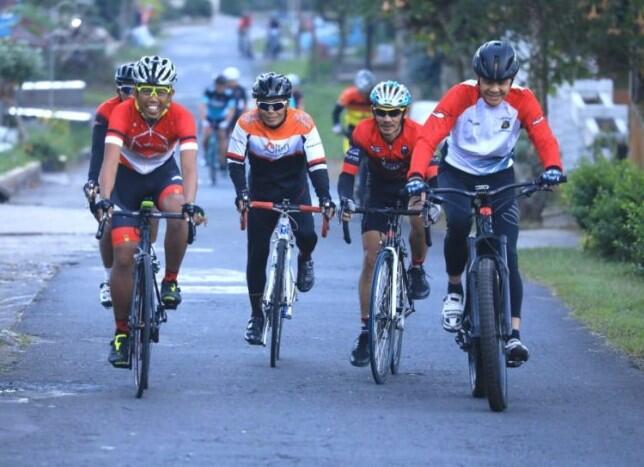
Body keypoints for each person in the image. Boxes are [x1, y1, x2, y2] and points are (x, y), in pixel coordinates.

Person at [407, 40, 565, 366]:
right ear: (477, 78)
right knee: (460, 222)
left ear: (512, 80)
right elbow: (428, 136)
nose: (494, 89)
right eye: (488, 82)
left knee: (508, 252)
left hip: (500, 176)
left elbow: (543, 135)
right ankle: (454, 290)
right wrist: (416, 173)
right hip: (457, 173)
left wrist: (552, 167)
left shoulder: (524, 100)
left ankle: (514, 337)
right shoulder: (460, 96)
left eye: (502, 83)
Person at [96, 55, 205, 367]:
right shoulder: (121, 112)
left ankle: (170, 279)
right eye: (146, 90)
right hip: (126, 179)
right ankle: (121, 333)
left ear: (171, 93)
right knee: (125, 253)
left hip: (161, 175)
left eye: (161, 91)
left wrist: (191, 203)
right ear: (137, 91)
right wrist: (105, 199)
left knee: (180, 209)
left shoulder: (182, 116)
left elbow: (189, 168)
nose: (153, 98)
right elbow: (109, 162)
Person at [226, 72, 335, 345]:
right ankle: (256, 317)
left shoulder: (304, 123)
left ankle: (304, 259)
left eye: (277, 105)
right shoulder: (245, 123)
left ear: (288, 102)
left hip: (295, 190)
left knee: (307, 237)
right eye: (264, 105)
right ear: (257, 105)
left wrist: (324, 197)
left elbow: (317, 164)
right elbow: (236, 163)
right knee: (257, 254)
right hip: (261, 192)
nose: (271, 111)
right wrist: (241, 194)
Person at [338, 80, 439, 367]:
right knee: (371, 257)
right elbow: (348, 173)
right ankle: (366, 330)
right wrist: (345, 199)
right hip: (378, 189)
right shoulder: (362, 132)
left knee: (418, 218)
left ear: (404, 113)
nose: (387, 119)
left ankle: (417, 268)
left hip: (411, 184)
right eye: (381, 112)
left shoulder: (418, 134)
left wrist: (435, 201)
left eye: (394, 113)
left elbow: (432, 174)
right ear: (373, 111)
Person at [83, 62, 136, 309]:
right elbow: (97, 151)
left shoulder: (150, 108)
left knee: (150, 210)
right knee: (107, 225)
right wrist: (92, 181)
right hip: (112, 171)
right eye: (127, 90)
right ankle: (107, 278)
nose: (132, 95)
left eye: (138, 89)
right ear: (118, 89)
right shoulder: (107, 110)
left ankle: (149, 249)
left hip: (142, 172)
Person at [332, 69, 376, 205]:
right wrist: (337, 125)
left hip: (370, 132)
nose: (364, 95)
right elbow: (336, 110)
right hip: (352, 132)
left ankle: (366, 189)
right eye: (361, 92)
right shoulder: (349, 94)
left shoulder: (375, 95)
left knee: (371, 162)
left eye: (366, 92)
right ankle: (350, 189)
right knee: (351, 159)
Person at [199, 74, 235, 171]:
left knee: (222, 138)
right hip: (210, 117)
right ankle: (206, 156)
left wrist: (226, 122)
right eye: (218, 85)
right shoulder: (209, 91)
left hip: (221, 119)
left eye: (222, 86)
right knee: (206, 137)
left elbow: (231, 110)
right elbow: (203, 105)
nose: (220, 88)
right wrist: (203, 120)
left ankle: (222, 160)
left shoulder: (229, 94)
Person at [223, 66, 248, 132]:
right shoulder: (223, 90)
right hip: (225, 114)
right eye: (230, 81)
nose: (232, 83)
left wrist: (244, 117)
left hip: (238, 114)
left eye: (233, 81)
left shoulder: (241, 90)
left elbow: (244, 104)